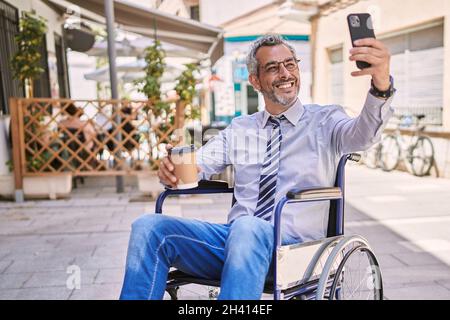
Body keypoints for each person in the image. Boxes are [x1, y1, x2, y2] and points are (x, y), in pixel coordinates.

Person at [120, 34, 395, 300]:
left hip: (297, 251)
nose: (285, 73)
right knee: (149, 227)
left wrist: (380, 84)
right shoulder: (241, 128)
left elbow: (364, 134)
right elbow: (199, 164)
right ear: (255, 80)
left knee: (248, 227)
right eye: (273, 68)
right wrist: (172, 169)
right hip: (236, 245)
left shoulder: (326, 120)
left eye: (290, 64)